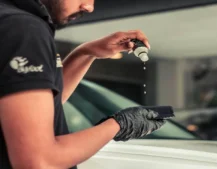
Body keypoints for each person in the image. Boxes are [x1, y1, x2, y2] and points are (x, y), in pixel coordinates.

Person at [0, 0, 166, 169]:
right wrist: (121, 124)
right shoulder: (23, 28)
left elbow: (45, 105)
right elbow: (40, 162)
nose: (89, 7)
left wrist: (86, 53)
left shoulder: (10, 19)